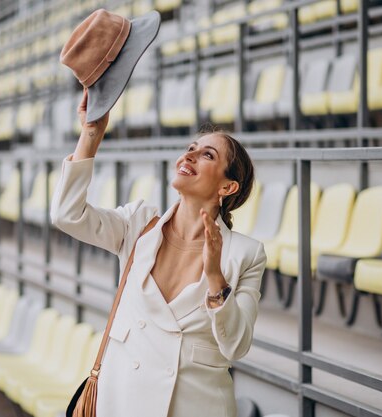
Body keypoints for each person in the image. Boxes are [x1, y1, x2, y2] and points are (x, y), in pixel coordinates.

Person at [50, 89, 267, 417]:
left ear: (227, 187)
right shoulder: (139, 225)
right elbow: (67, 215)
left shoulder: (246, 254)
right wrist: (91, 135)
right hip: (119, 402)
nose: (188, 157)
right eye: (190, 149)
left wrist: (215, 279)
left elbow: (237, 345)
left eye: (207, 155)